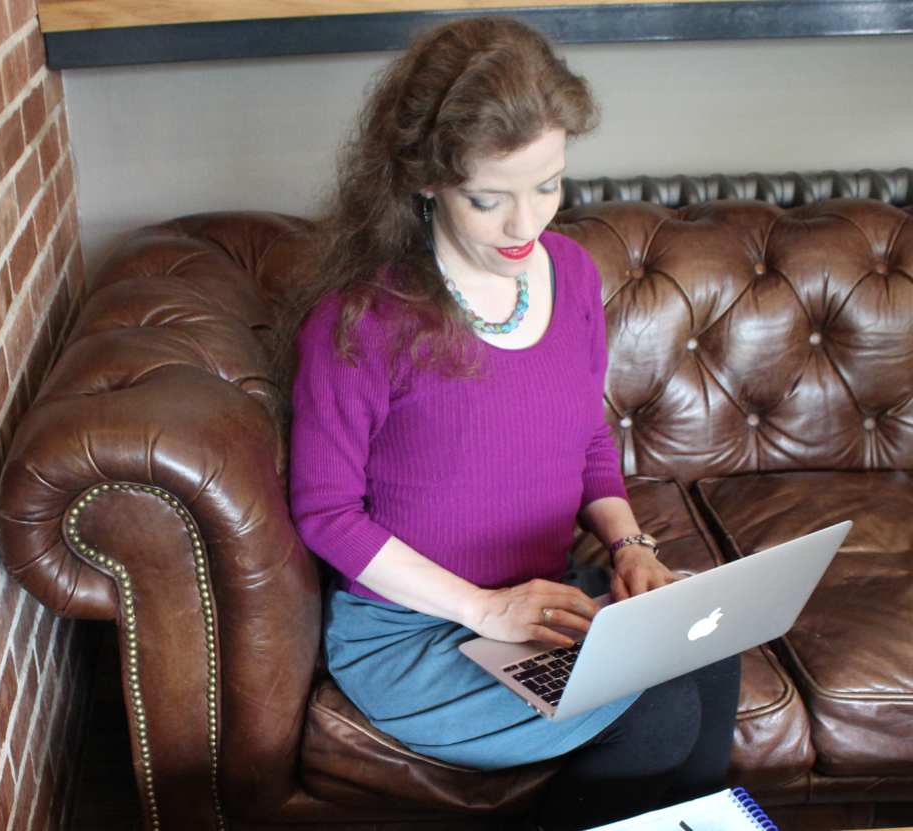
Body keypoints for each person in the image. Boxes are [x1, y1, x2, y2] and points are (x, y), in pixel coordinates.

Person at [285, 17, 740, 831]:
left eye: (548, 185)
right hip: (416, 631)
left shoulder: (569, 272)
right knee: (661, 708)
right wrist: (483, 610)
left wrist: (630, 547)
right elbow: (326, 514)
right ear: (425, 181)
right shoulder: (361, 320)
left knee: (709, 651)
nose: (524, 225)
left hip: (548, 600)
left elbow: (588, 438)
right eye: (488, 198)